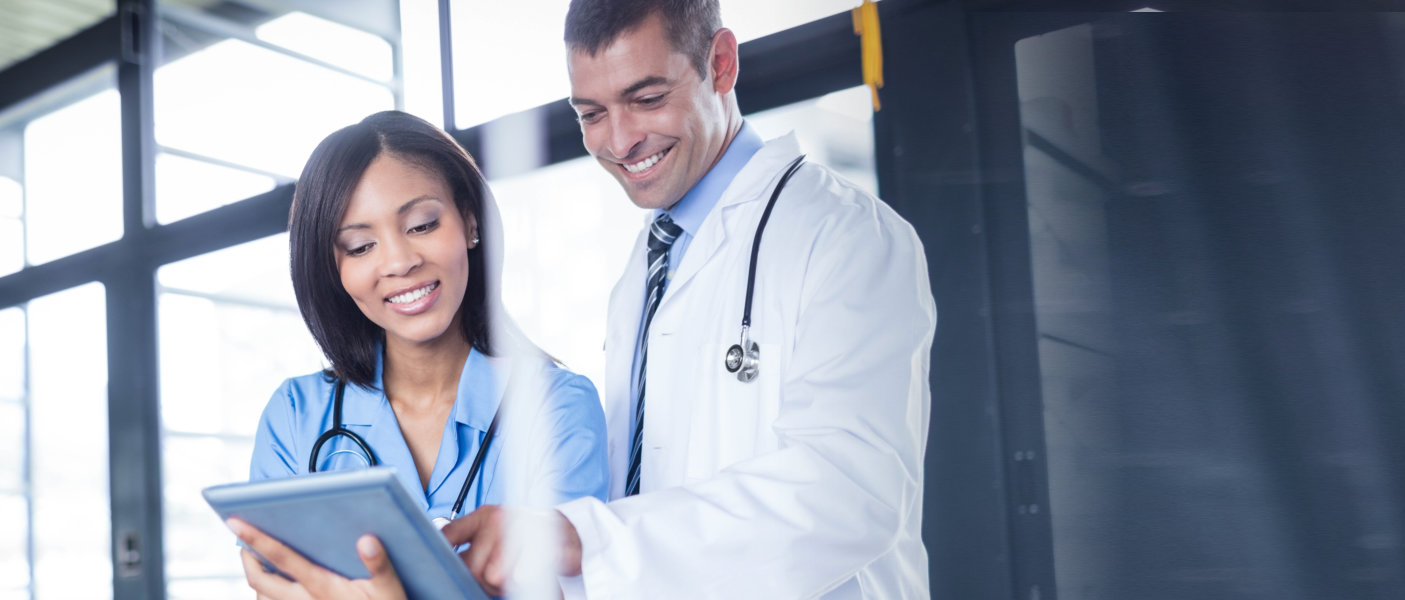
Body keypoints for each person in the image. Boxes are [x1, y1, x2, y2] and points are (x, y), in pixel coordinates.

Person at [438, 0, 937, 597]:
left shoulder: (846, 236)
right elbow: (638, 491)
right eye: (591, 113)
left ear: (721, 64)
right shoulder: (646, 266)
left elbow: (848, 491)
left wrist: (585, 540)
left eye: (647, 99)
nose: (620, 141)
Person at [232, 111, 610, 598]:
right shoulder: (295, 416)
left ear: (470, 221)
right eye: (361, 245)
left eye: (422, 224)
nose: (399, 262)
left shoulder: (556, 406)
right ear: (335, 270)